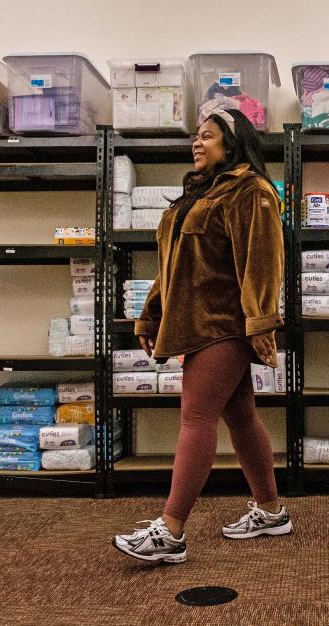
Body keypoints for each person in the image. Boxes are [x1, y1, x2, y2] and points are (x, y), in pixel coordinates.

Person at [113, 109, 290, 564]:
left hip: (223, 323)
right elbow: (173, 267)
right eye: (196, 136)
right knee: (241, 417)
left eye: (208, 136)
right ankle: (271, 511)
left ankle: (170, 531)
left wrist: (261, 322)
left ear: (231, 144)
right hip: (196, 323)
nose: (197, 143)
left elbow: (263, 260)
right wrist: (149, 317)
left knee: (196, 418)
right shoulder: (196, 195)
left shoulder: (251, 191)